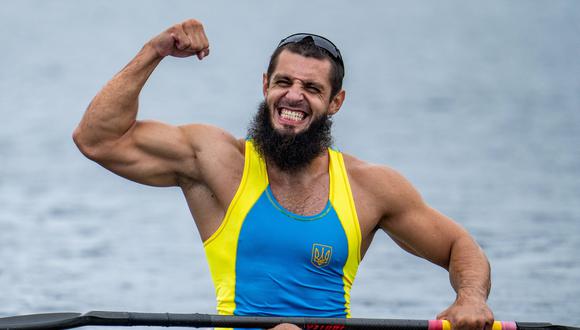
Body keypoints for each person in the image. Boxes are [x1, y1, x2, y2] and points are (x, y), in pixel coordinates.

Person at [73, 19, 494, 330]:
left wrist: (470, 298)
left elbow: (460, 245)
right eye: (284, 82)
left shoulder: (372, 187)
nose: (294, 95)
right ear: (265, 86)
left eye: (311, 89)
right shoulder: (216, 162)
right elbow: (97, 140)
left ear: (335, 102)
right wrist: (155, 51)